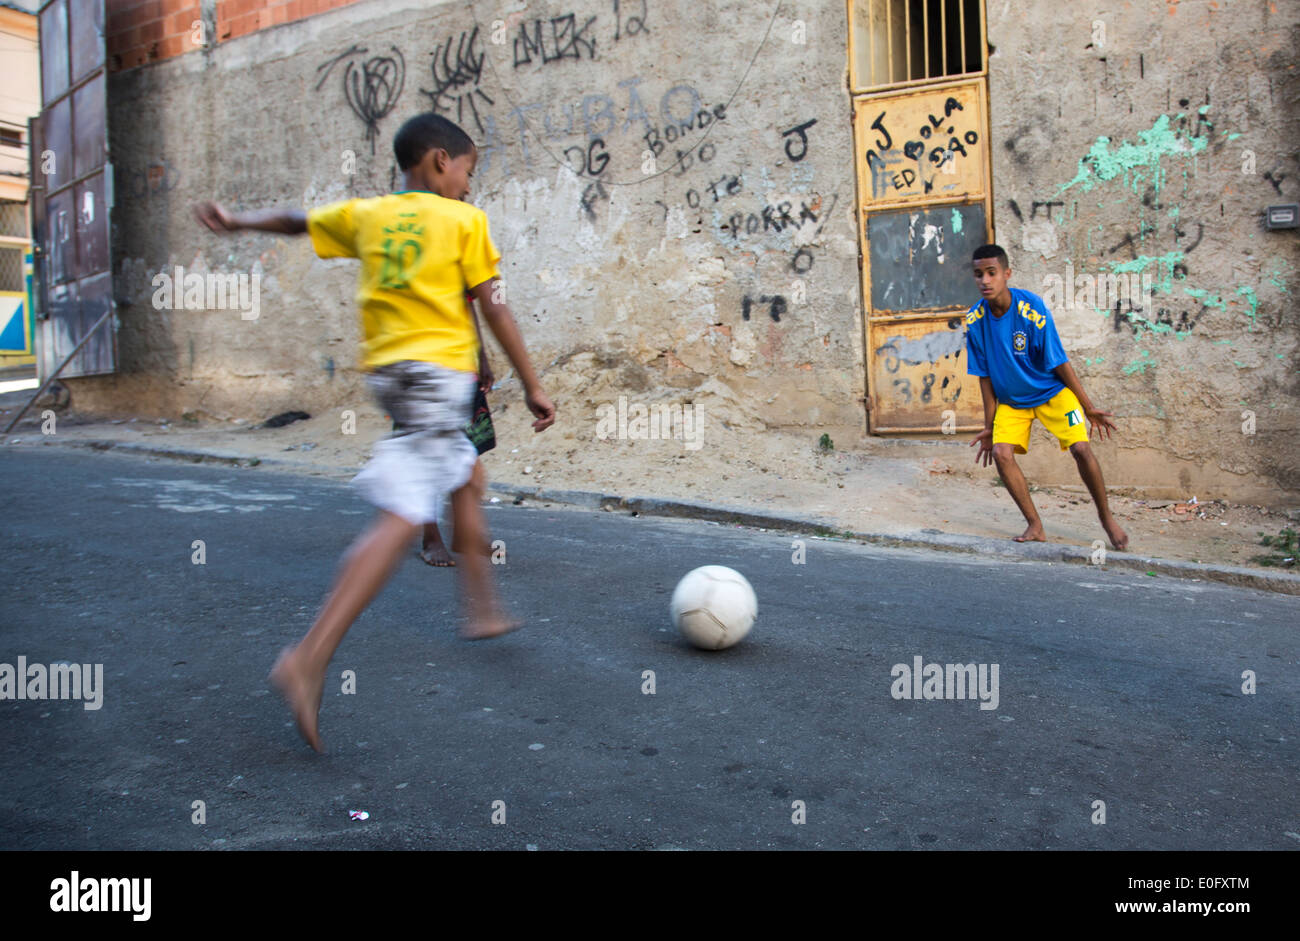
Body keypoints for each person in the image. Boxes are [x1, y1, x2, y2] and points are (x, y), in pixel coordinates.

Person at [194, 112, 556, 751]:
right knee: (401, 512)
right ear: (441, 161)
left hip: (392, 374)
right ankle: (309, 655)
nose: (470, 186)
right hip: (438, 377)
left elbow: (297, 220)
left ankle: (481, 609)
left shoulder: (369, 214)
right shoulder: (463, 221)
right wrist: (533, 382)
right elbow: (492, 302)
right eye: (468, 171)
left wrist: (237, 220)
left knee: (465, 474)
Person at [965, 244, 1128, 551]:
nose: (985, 281)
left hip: (1053, 394)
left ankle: (1107, 518)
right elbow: (984, 377)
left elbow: (1059, 362)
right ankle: (1035, 525)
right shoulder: (974, 320)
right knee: (1001, 454)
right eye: (978, 274)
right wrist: (989, 425)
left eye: (991, 273)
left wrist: (1087, 406)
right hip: (1012, 402)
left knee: (1081, 448)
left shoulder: (1032, 308)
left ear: (1006, 274)